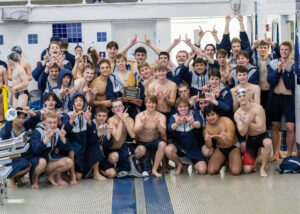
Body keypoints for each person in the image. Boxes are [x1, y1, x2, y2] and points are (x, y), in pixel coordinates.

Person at [29, 111, 73, 189]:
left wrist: (63, 138)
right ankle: (35, 181)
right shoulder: (37, 132)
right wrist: (46, 139)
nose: (53, 125)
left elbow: (68, 148)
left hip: (48, 157)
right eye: (50, 123)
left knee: (69, 162)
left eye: (54, 122)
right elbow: (36, 150)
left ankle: (50, 176)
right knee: (42, 161)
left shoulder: (57, 131)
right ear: (44, 122)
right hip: (37, 160)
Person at [234, 88, 272, 177]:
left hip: (262, 135)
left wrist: (246, 123)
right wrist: (247, 122)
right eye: (239, 96)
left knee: (268, 143)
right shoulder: (237, 113)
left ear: (248, 97)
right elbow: (242, 133)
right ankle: (259, 158)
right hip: (250, 138)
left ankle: (262, 168)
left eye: (244, 96)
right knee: (247, 170)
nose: (242, 98)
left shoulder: (258, 108)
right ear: (237, 99)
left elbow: (261, 128)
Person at [267, 41, 295, 160]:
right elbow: (271, 81)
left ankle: (289, 154)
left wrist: (284, 72)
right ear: (280, 50)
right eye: (282, 49)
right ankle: (276, 153)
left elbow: (290, 85)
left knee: (290, 127)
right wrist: (278, 71)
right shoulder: (273, 63)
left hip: (288, 98)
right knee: (275, 126)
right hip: (276, 98)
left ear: (290, 51)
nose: (284, 52)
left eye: (286, 50)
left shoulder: (294, 65)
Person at [165, 97, 207, 175]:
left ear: (188, 106)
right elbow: (170, 128)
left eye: (185, 106)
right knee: (168, 149)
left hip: (194, 148)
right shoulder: (174, 117)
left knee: (202, 170)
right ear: (177, 108)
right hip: (180, 147)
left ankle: (192, 163)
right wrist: (177, 123)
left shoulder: (193, 113)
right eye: (180, 107)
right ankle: (179, 164)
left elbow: (199, 125)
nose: (183, 108)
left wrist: (192, 123)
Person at [0, 107, 39, 188]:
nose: (21, 120)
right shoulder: (7, 127)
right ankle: (9, 177)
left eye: (23, 118)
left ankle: (15, 178)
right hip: (5, 157)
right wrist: (12, 114)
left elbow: (36, 119)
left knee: (28, 163)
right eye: (18, 117)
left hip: (17, 155)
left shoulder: (23, 126)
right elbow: (4, 135)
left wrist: (29, 112)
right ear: (13, 117)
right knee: (26, 164)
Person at [204, 105, 242, 175]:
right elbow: (209, 146)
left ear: (217, 114)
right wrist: (207, 140)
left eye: (213, 114)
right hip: (220, 148)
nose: (211, 118)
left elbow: (230, 141)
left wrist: (224, 138)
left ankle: (231, 160)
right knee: (211, 171)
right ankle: (224, 160)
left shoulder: (227, 122)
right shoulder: (207, 127)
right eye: (208, 116)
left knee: (235, 171)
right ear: (206, 117)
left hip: (233, 147)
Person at [62, 93, 91, 184]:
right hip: (73, 141)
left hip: (83, 143)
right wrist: (71, 120)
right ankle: (72, 175)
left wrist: (88, 120)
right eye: (76, 101)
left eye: (81, 101)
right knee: (72, 150)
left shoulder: (87, 113)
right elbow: (65, 132)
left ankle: (74, 174)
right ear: (73, 104)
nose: (78, 103)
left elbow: (91, 132)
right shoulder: (68, 115)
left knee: (80, 176)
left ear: (84, 103)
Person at [106, 100, 141, 177]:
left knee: (139, 151)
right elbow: (117, 138)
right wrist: (122, 120)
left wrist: (125, 120)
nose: (118, 108)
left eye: (119, 106)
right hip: (113, 148)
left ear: (123, 107)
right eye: (115, 107)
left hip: (122, 146)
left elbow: (132, 135)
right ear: (112, 110)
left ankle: (130, 166)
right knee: (114, 157)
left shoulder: (129, 119)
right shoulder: (111, 120)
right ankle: (116, 166)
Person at [134, 95, 167, 178]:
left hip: (154, 142)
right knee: (146, 171)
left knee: (162, 144)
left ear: (156, 104)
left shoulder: (161, 116)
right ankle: (139, 162)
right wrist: (142, 123)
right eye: (149, 102)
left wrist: (158, 125)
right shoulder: (139, 116)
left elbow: (163, 132)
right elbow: (136, 131)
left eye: (153, 103)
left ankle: (155, 169)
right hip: (142, 143)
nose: (151, 105)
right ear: (145, 104)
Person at [85, 106, 115, 180]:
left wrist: (109, 133)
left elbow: (107, 146)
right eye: (99, 115)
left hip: (101, 157)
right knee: (96, 146)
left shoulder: (106, 126)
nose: (101, 118)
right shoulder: (91, 124)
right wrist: (98, 133)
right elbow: (90, 142)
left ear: (107, 117)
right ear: (95, 116)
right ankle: (95, 173)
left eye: (104, 116)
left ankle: (99, 171)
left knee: (112, 174)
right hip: (90, 155)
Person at [147, 63, 177, 127]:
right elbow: (149, 103)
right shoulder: (151, 86)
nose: (161, 73)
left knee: (168, 134)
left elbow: (172, 103)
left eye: (163, 71)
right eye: (159, 71)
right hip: (155, 114)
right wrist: (154, 95)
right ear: (155, 72)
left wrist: (165, 99)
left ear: (166, 71)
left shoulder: (173, 85)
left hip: (168, 113)